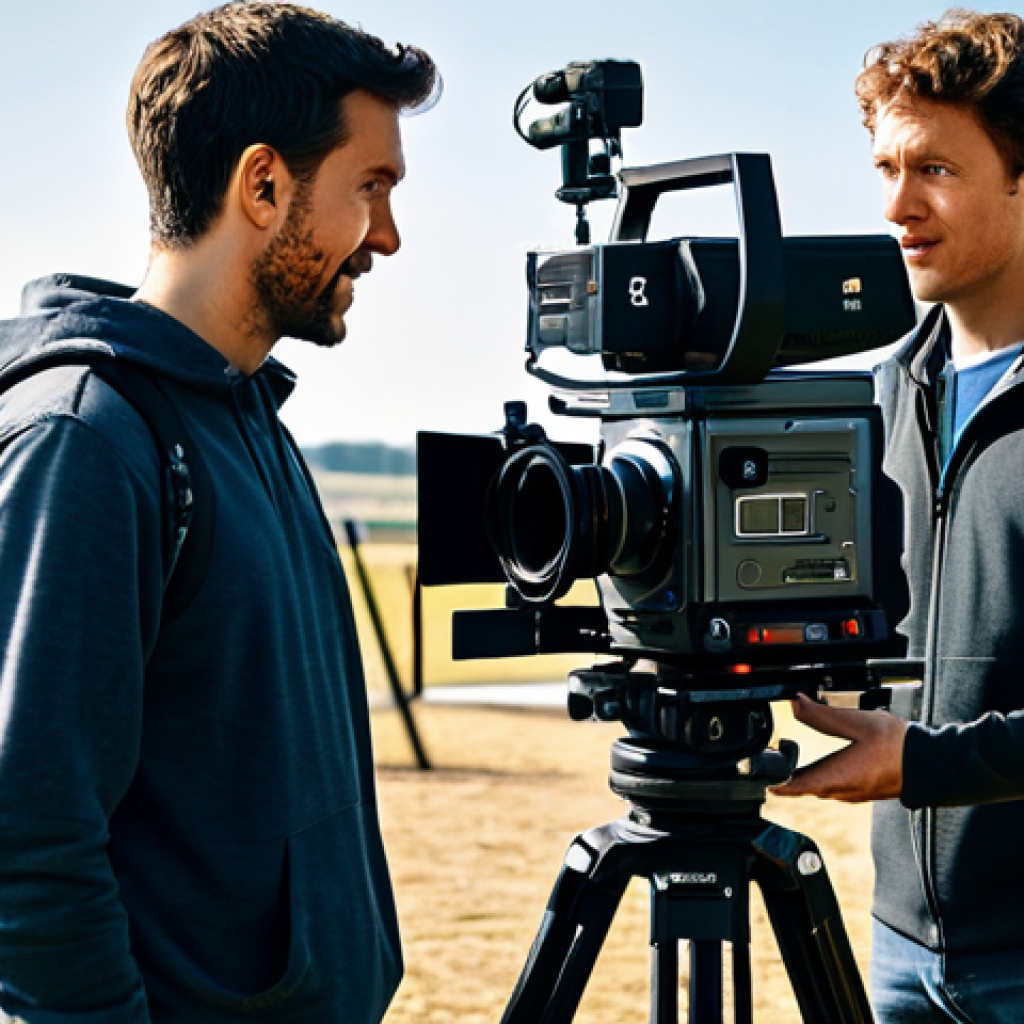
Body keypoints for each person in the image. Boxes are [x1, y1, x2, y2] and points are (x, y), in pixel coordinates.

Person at [0, 4, 437, 1022]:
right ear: (264, 183)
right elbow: (24, 835)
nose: (388, 235)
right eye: (369, 187)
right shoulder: (88, 437)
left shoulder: (250, 414)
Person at [773, 9, 1024, 1022]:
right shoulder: (875, 400)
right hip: (899, 949)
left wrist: (924, 762)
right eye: (884, 168)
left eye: (936, 170)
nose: (896, 206)